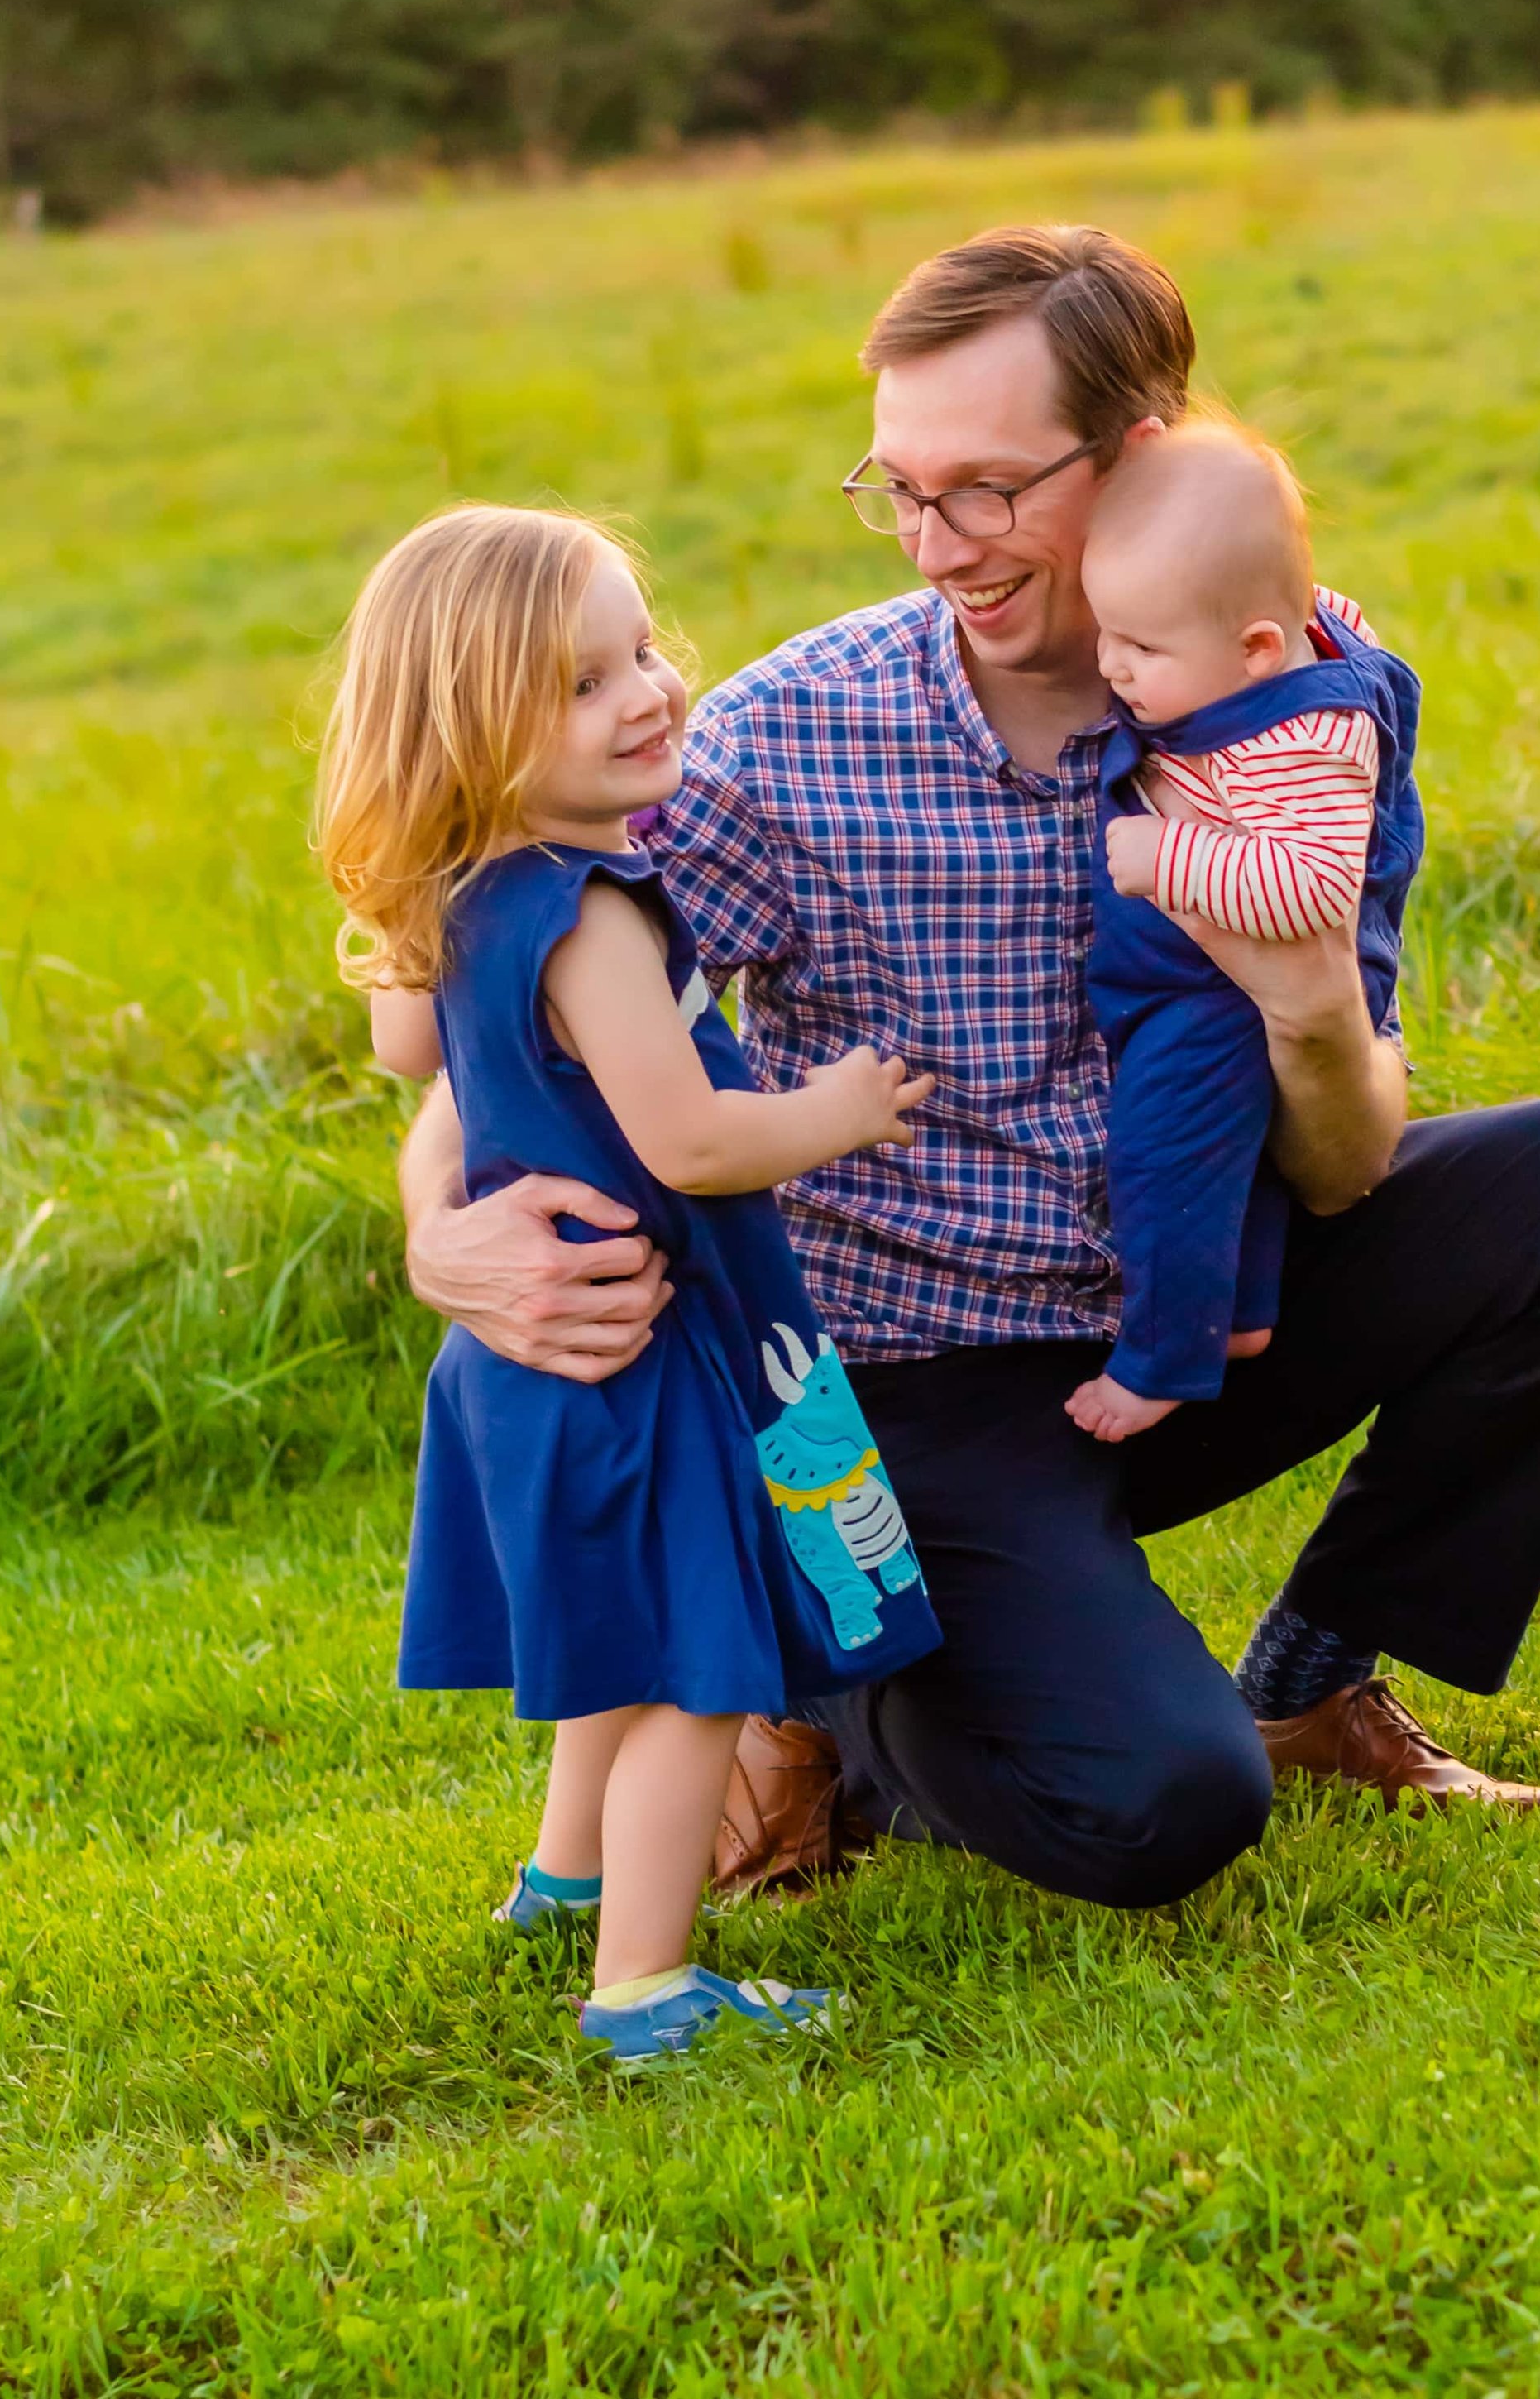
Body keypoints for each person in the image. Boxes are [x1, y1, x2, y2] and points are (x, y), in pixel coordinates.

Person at [397, 227, 1540, 1910]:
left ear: (1139, 454)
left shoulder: (1286, 703)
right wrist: (437, 1222)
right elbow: (528, 1008)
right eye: (900, 490)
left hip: (1195, 1300)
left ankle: (1309, 1672)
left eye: (990, 491)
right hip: (915, 1388)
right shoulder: (791, 737)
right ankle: (837, 1690)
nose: (940, 546)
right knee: (1158, 1810)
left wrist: (1312, 1016)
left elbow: (1340, 1164)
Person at [316, 502, 940, 2062]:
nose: (649, 693)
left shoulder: (475, 896)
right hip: (647, 1338)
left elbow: (412, 1050)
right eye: (585, 685)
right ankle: (647, 1986)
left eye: (641, 652)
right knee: (693, 1665)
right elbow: (695, 1138)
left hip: (539, 1351)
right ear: (474, 731)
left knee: (620, 1626)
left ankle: (564, 1876)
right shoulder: (593, 913)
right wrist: (840, 1109)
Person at [1068, 414, 1420, 1447]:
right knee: (1236, 1155)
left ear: (1259, 648)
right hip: (1208, 973)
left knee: (1164, 1154)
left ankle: (1160, 1361)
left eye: (1139, 647)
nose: (1111, 665)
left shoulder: (1298, 737)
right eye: (1105, 633)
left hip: (1220, 986)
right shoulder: (1281, 640)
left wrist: (1164, 858)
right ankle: (1244, 1316)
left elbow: (1312, 887)